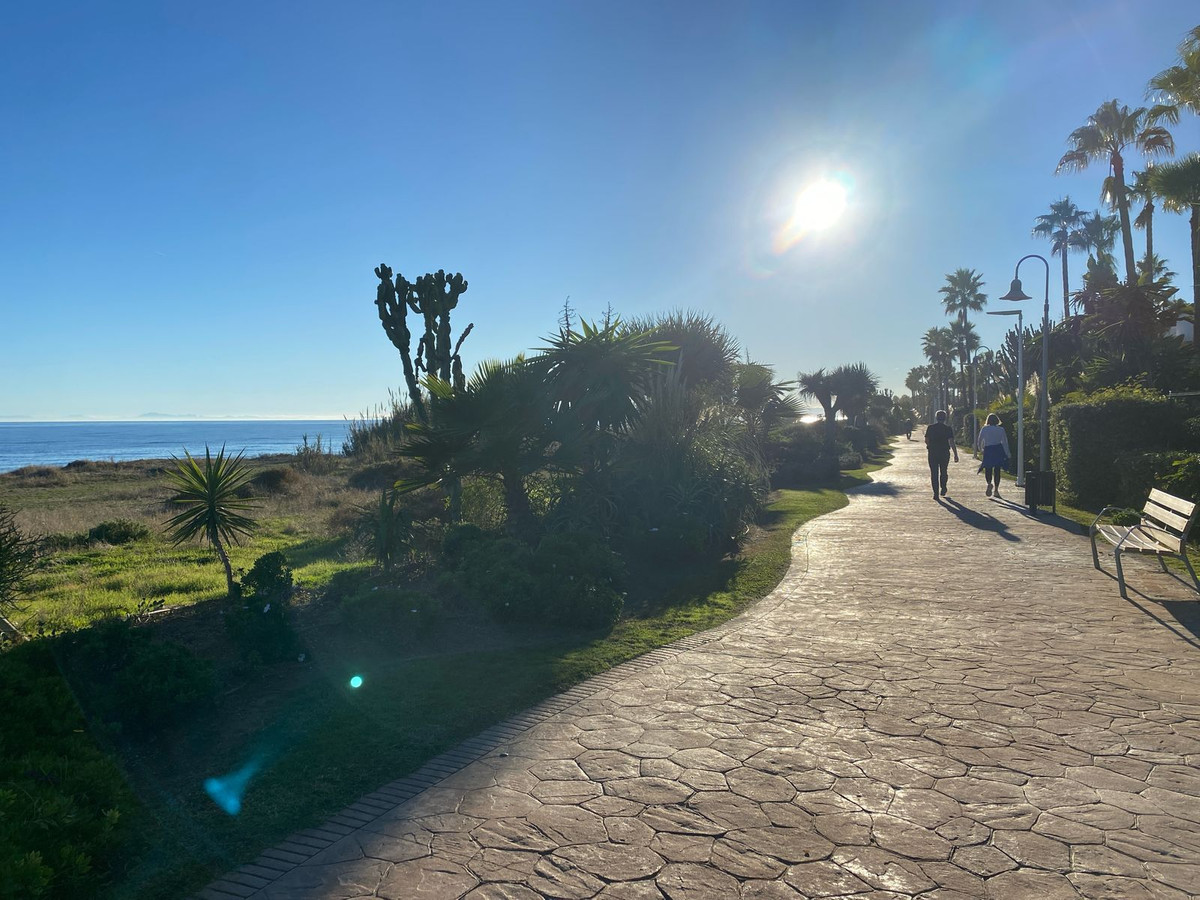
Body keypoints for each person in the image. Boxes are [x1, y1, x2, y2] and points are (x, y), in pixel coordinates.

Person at [975, 413, 1011, 498]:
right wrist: (1008, 453)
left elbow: (979, 440)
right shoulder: (1001, 429)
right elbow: (1004, 442)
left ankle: (989, 483)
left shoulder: (984, 429)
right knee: (997, 470)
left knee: (988, 468)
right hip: (998, 449)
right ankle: (996, 490)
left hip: (988, 450)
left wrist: (981, 449)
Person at [924, 410, 957, 499]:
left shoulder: (930, 428)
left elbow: (926, 440)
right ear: (945, 418)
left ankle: (936, 493)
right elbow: (951, 442)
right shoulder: (948, 429)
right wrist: (955, 454)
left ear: (936, 418)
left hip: (933, 453)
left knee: (934, 473)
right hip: (944, 453)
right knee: (944, 471)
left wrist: (929, 446)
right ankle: (943, 487)